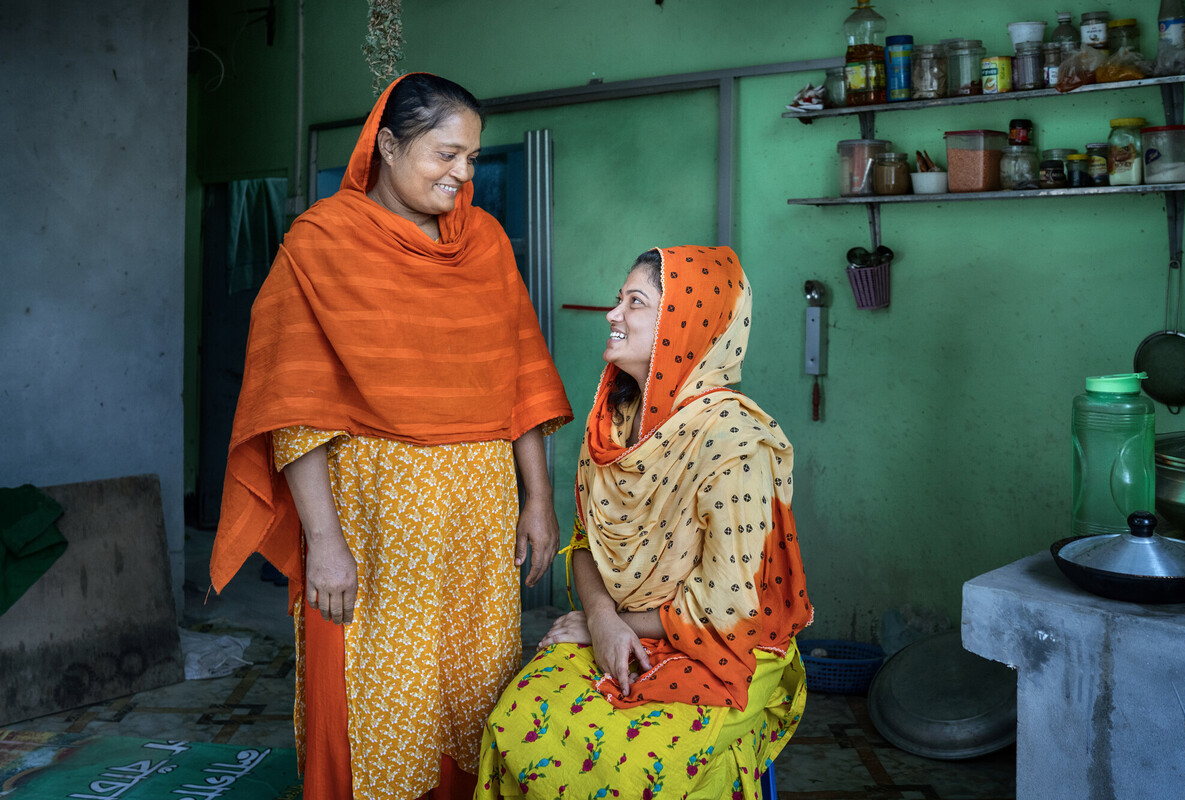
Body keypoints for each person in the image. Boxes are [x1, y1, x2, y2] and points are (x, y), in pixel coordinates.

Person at [208, 72, 572, 800]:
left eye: (472, 157)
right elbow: (295, 409)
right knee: (373, 689)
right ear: (388, 145)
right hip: (372, 524)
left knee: (474, 685)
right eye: (446, 154)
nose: (463, 173)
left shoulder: (486, 243)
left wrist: (538, 499)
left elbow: (519, 379)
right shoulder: (320, 244)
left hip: (479, 516)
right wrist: (327, 545)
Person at [475, 246, 813, 799]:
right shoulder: (614, 422)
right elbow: (586, 542)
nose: (613, 313)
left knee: (633, 772)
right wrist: (603, 618)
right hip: (622, 625)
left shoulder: (735, 444)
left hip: (725, 646)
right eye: (618, 299)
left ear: (688, 324)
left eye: (636, 301)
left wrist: (605, 625)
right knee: (514, 724)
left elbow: (730, 605)